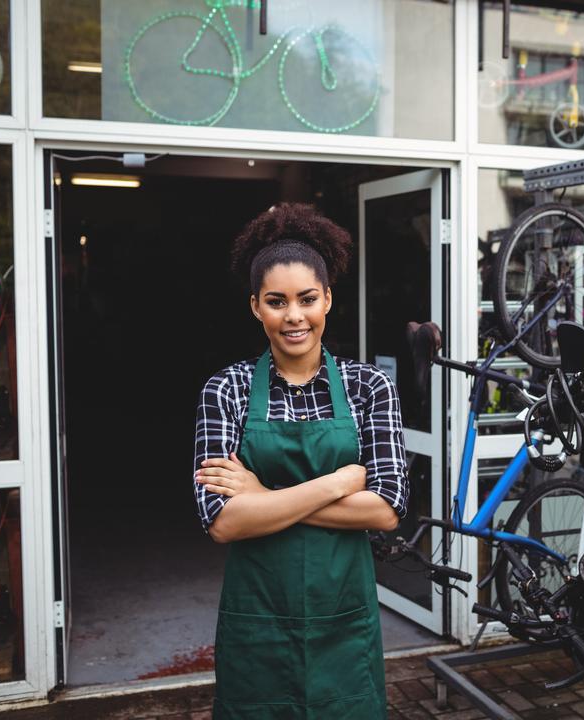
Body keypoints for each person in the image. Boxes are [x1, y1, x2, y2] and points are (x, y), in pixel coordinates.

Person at [192, 203, 407, 719]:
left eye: (307, 299)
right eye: (276, 301)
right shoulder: (227, 389)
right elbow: (222, 521)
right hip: (259, 620)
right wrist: (338, 482)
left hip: (344, 616)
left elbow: (385, 510)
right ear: (255, 308)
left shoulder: (368, 387)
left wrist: (262, 498)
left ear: (327, 299)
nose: (294, 316)